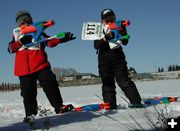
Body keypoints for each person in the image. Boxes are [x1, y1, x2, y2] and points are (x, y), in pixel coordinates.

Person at [8, 10, 75, 122]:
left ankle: (59, 107)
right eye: (22, 22)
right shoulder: (16, 35)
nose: (25, 23)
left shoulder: (38, 31)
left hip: (41, 65)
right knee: (28, 92)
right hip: (23, 70)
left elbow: (49, 42)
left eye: (27, 20)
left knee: (51, 84)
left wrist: (61, 39)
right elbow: (10, 49)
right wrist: (20, 42)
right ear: (19, 24)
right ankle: (30, 115)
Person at [94, 9, 143, 109]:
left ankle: (136, 102)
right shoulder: (98, 29)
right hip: (104, 61)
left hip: (118, 58)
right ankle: (110, 106)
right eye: (107, 19)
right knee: (108, 84)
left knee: (124, 81)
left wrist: (122, 31)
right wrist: (106, 37)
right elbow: (96, 45)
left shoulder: (119, 26)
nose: (110, 21)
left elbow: (125, 42)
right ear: (101, 21)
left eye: (112, 18)